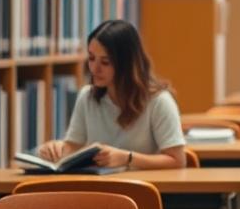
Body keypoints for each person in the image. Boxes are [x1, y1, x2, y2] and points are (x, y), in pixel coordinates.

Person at [35, 20, 187, 169]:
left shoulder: (159, 101)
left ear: (127, 65)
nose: (95, 69)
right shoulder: (87, 97)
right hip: (99, 189)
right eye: (92, 58)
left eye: (105, 62)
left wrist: (127, 158)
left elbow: (177, 160)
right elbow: (73, 147)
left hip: (142, 188)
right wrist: (57, 149)